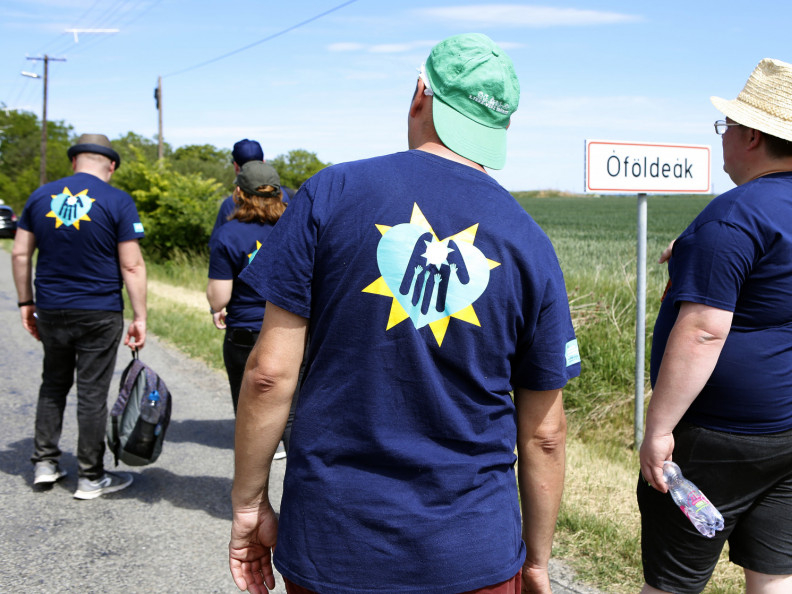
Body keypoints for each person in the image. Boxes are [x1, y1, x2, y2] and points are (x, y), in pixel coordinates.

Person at [228, 33, 581, 594]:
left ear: (421, 94)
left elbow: (268, 374)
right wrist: (536, 561)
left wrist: (249, 503)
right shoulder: (529, 241)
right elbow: (545, 435)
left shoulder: (330, 192)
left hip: (333, 543)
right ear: (503, 126)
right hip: (473, 552)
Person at [638, 58, 792, 593]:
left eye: (726, 126)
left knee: (672, 580)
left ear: (751, 135)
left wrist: (659, 430)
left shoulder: (735, 215)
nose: (723, 137)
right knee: (776, 565)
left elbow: (703, 331)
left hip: (724, 438)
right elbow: (781, 274)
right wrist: (695, 249)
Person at [12, 133, 147, 500]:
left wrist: (25, 302)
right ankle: (90, 476)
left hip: (51, 308)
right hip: (99, 311)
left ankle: (45, 462)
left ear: (74, 162)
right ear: (112, 166)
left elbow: (20, 254)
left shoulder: (40, 196)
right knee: (92, 393)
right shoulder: (118, 201)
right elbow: (132, 265)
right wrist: (140, 316)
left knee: (53, 384)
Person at [206, 161, 297, 455]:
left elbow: (219, 298)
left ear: (238, 194)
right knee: (293, 416)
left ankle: (253, 485)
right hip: (292, 333)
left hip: (245, 333)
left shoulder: (227, 234)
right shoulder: (297, 229)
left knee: (250, 419)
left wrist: (216, 307)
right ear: (279, 193)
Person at [212, 139, 294, 234]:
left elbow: (220, 239)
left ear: (236, 166)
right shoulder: (284, 196)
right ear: (263, 162)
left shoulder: (230, 203)